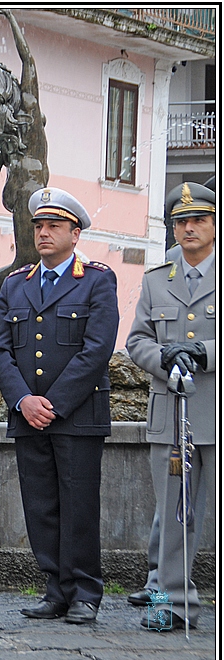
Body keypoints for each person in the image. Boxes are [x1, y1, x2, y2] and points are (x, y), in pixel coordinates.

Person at [0, 187, 118, 625]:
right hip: (28, 416)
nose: (43, 233)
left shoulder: (97, 280)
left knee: (78, 504)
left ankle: (84, 591)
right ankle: (55, 588)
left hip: (77, 416)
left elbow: (97, 350)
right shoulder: (14, 283)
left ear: (75, 233)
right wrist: (23, 400)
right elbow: (0, 350)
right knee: (40, 505)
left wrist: (54, 404)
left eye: (54, 226)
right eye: (39, 226)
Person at [126, 182, 215, 631]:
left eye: (199, 218)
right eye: (181, 222)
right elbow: (137, 340)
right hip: (172, 418)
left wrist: (206, 354)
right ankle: (171, 604)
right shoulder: (157, 279)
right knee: (175, 518)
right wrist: (164, 357)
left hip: (214, 413)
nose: (189, 227)